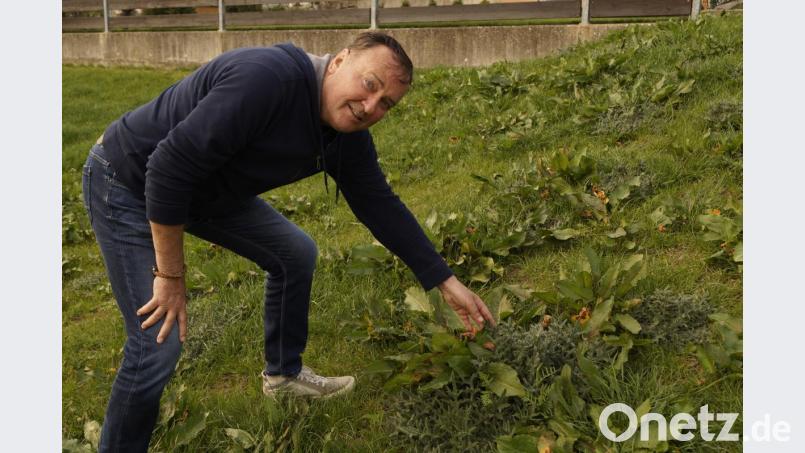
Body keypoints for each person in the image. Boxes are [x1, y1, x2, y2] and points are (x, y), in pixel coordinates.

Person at [82, 31, 495, 452]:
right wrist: (170, 276)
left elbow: (380, 206)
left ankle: (284, 376)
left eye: (386, 103)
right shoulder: (267, 80)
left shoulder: (346, 136)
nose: (370, 107)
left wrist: (444, 281)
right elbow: (167, 169)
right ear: (339, 62)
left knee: (294, 253)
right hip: (128, 179)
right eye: (369, 84)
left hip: (205, 190)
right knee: (157, 344)